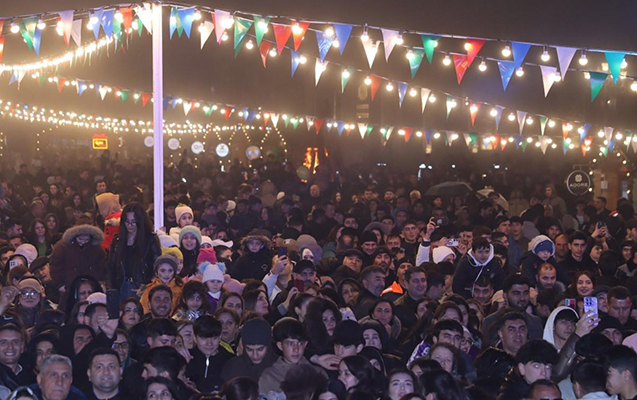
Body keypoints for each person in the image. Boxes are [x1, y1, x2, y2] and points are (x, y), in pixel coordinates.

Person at [108, 202, 161, 300]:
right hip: (120, 286)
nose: (130, 225)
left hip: (141, 287)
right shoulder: (117, 240)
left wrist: (148, 286)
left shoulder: (150, 239)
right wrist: (111, 287)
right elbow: (111, 266)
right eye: (127, 221)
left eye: (134, 222)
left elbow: (157, 265)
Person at [259, 318, 325, 395]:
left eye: (300, 343)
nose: (296, 349)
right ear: (280, 346)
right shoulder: (269, 377)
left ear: (305, 344)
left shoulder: (318, 373)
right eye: (290, 343)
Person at [49, 224, 106, 292]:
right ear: (75, 236)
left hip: (91, 285)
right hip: (69, 286)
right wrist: (59, 284)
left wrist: (101, 281)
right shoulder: (62, 246)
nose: (83, 242)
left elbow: (102, 265)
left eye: (86, 240)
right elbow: (55, 265)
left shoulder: (96, 247)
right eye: (80, 239)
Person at [185, 315, 234, 393]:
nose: (209, 343)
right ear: (195, 338)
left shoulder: (231, 361)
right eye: (204, 338)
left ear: (220, 337)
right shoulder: (185, 358)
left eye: (214, 338)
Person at [221, 318, 277, 382]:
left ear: (268, 346)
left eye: (260, 349)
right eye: (249, 349)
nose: (255, 355)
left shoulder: (280, 367)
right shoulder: (232, 368)